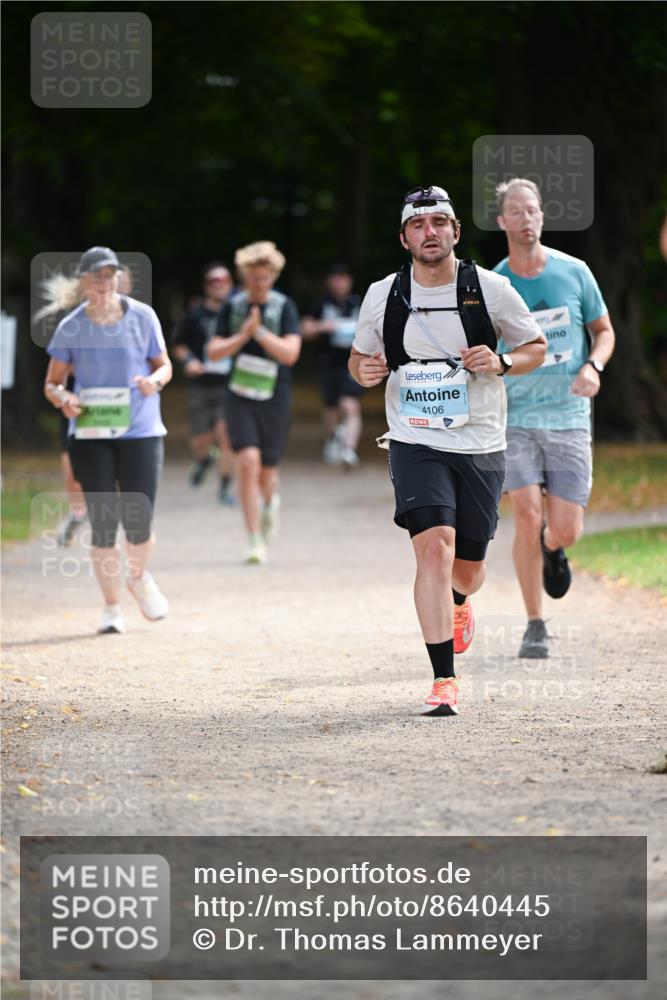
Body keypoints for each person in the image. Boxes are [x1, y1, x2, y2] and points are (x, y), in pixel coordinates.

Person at [349, 186, 546, 717]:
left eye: (440, 223)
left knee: (468, 568)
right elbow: (360, 358)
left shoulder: (491, 289)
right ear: (404, 237)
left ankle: (460, 603)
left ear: (456, 232)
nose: (429, 232)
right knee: (433, 546)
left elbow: (536, 348)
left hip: (480, 440)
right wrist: (363, 370)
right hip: (415, 438)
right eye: (419, 225)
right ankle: (443, 680)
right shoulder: (383, 294)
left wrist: (502, 363)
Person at [494, 179, 616, 658]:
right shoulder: (494, 285)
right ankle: (535, 624)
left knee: (564, 528)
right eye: (517, 212)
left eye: (535, 210)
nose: (528, 219)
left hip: (568, 414)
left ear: (542, 217)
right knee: (525, 514)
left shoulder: (574, 271)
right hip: (517, 416)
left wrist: (593, 365)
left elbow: (603, 331)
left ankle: (553, 545)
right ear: (502, 221)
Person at [43, 246, 172, 634]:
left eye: (111, 274)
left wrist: (155, 382)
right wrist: (64, 398)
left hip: (140, 430)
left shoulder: (143, 317)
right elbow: (52, 383)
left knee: (139, 521)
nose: (105, 282)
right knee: (103, 523)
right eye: (98, 275)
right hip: (92, 432)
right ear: (84, 281)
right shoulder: (72, 327)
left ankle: (138, 577)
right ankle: (112, 608)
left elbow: (164, 365)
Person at [207, 241, 301, 564]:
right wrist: (242, 335)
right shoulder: (232, 307)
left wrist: (259, 333)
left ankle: (270, 502)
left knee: (267, 473)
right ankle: (253, 539)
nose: (258, 284)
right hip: (239, 395)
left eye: (264, 278)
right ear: (244, 277)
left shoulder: (284, 307)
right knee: (247, 461)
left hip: (275, 396)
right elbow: (214, 351)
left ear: (273, 276)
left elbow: (290, 354)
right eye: (252, 278)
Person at [172, 262, 236, 503]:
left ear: (230, 284)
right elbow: (179, 344)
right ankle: (204, 459)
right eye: (213, 281)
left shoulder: (238, 312)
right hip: (201, 384)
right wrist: (188, 361)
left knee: (226, 434)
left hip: (229, 384)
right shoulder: (194, 314)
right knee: (201, 440)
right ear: (206, 286)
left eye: (223, 281)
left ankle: (225, 487)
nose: (219, 286)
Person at [302, 264, 364, 468]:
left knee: (350, 404)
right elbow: (304, 330)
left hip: (353, 364)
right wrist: (324, 326)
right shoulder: (320, 304)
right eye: (336, 278)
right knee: (331, 408)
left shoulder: (358, 303)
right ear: (329, 281)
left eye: (344, 278)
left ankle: (348, 450)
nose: (340, 282)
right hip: (328, 363)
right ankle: (333, 436)